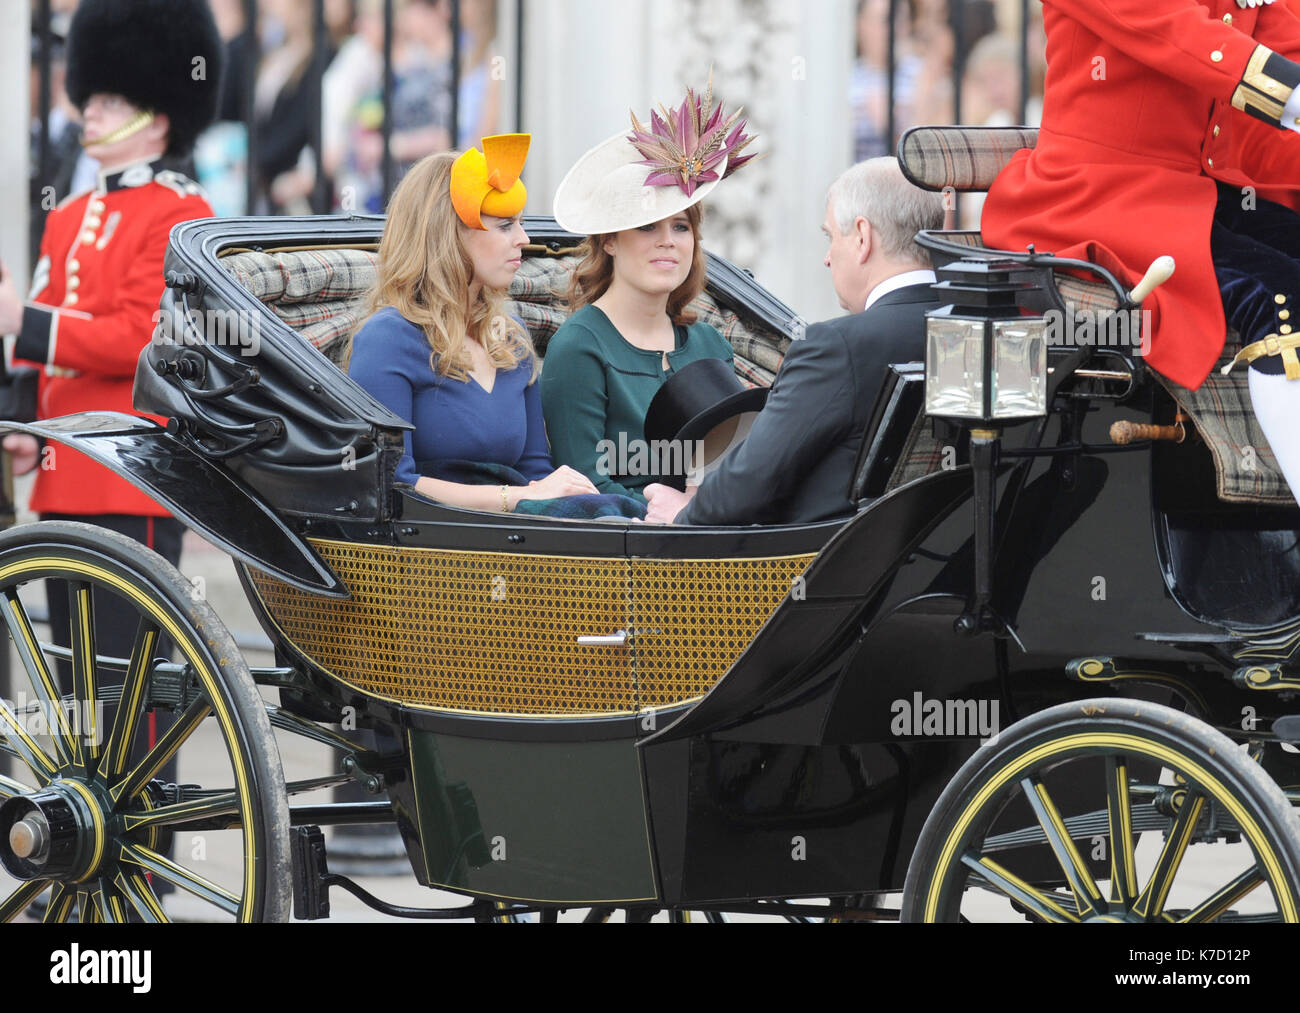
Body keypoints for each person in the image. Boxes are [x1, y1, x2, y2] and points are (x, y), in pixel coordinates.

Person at [978, 0, 1300, 501]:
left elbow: (1282, 36)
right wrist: (1291, 90)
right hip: (1091, 195)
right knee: (1280, 301)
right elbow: (1178, 31)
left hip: (1188, 192)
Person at [0, 0, 222, 591]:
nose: (90, 112)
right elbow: (40, 331)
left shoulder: (181, 211)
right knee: (69, 675)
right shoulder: (67, 216)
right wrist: (23, 422)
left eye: (112, 102)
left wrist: (22, 321)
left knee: (127, 677)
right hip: (61, 469)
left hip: (131, 475)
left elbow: (140, 337)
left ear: (157, 117)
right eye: (91, 99)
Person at [643, 157, 945, 526]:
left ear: (863, 238)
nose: (827, 258)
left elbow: (750, 484)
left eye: (831, 236)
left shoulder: (836, 347)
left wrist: (683, 514)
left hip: (818, 572)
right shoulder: (978, 328)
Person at [347, 136, 639, 517]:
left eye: (519, 224)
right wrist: (512, 498)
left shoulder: (511, 336)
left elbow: (535, 469)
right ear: (448, 234)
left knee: (631, 517)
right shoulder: (387, 338)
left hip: (511, 536)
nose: (524, 238)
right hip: (433, 546)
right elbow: (390, 483)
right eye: (505, 226)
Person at [542, 79, 758, 503]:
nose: (668, 240)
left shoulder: (710, 343)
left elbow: (731, 465)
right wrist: (674, 512)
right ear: (609, 241)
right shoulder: (579, 347)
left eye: (681, 226)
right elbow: (582, 484)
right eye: (647, 226)